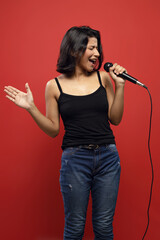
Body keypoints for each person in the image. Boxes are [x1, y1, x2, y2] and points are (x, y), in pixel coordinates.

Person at [4, 26, 127, 240]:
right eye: (92, 47)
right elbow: (53, 130)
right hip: (75, 160)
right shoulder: (54, 86)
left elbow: (115, 119)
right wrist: (31, 107)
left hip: (108, 158)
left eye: (98, 48)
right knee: (74, 227)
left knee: (104, 226)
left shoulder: (103, 79)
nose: (97, 53)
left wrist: (121, 86)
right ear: (74, 50)